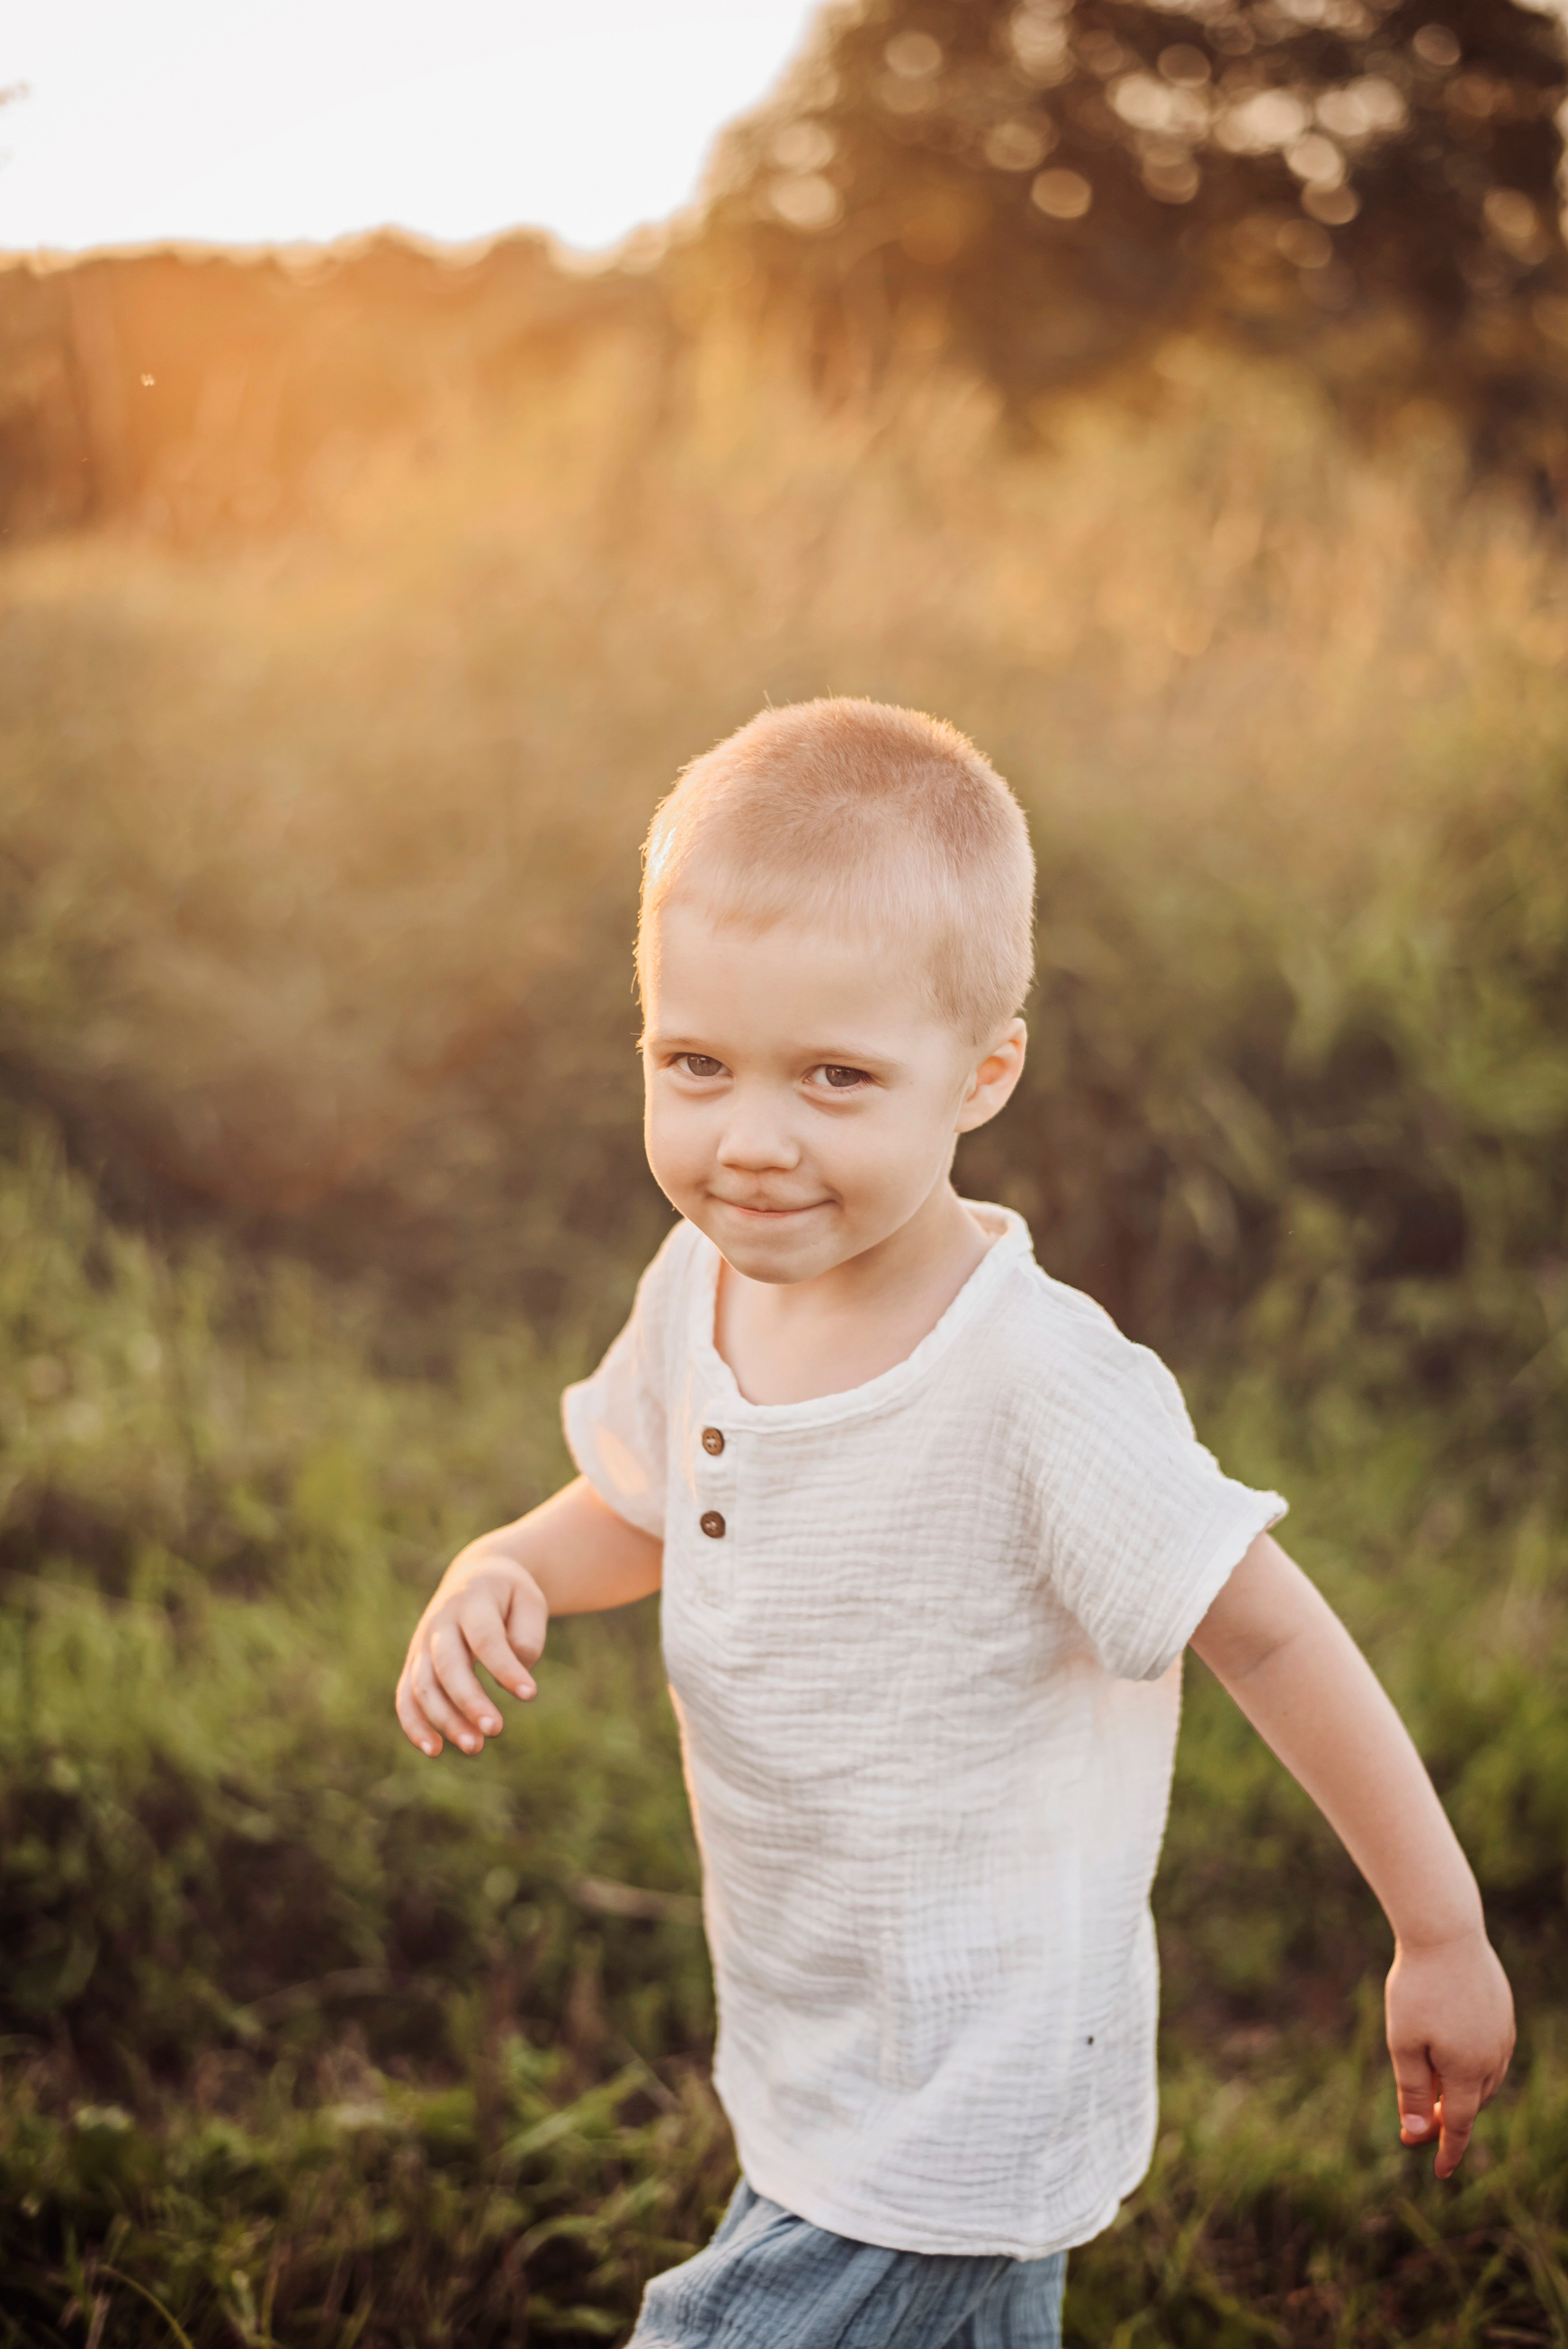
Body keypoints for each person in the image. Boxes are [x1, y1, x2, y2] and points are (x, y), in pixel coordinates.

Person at [394, 699, 1515, 2348]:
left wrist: (1441, 1928)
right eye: (695, 1063)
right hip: (826, 2041)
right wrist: (506, 1565)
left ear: (982, 1071)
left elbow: (1261, 1618)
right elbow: (652, 1504)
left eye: (837, 1077)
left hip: (961, 2092)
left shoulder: (1034, 1377)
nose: (752, 1138)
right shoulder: (704, 1283)